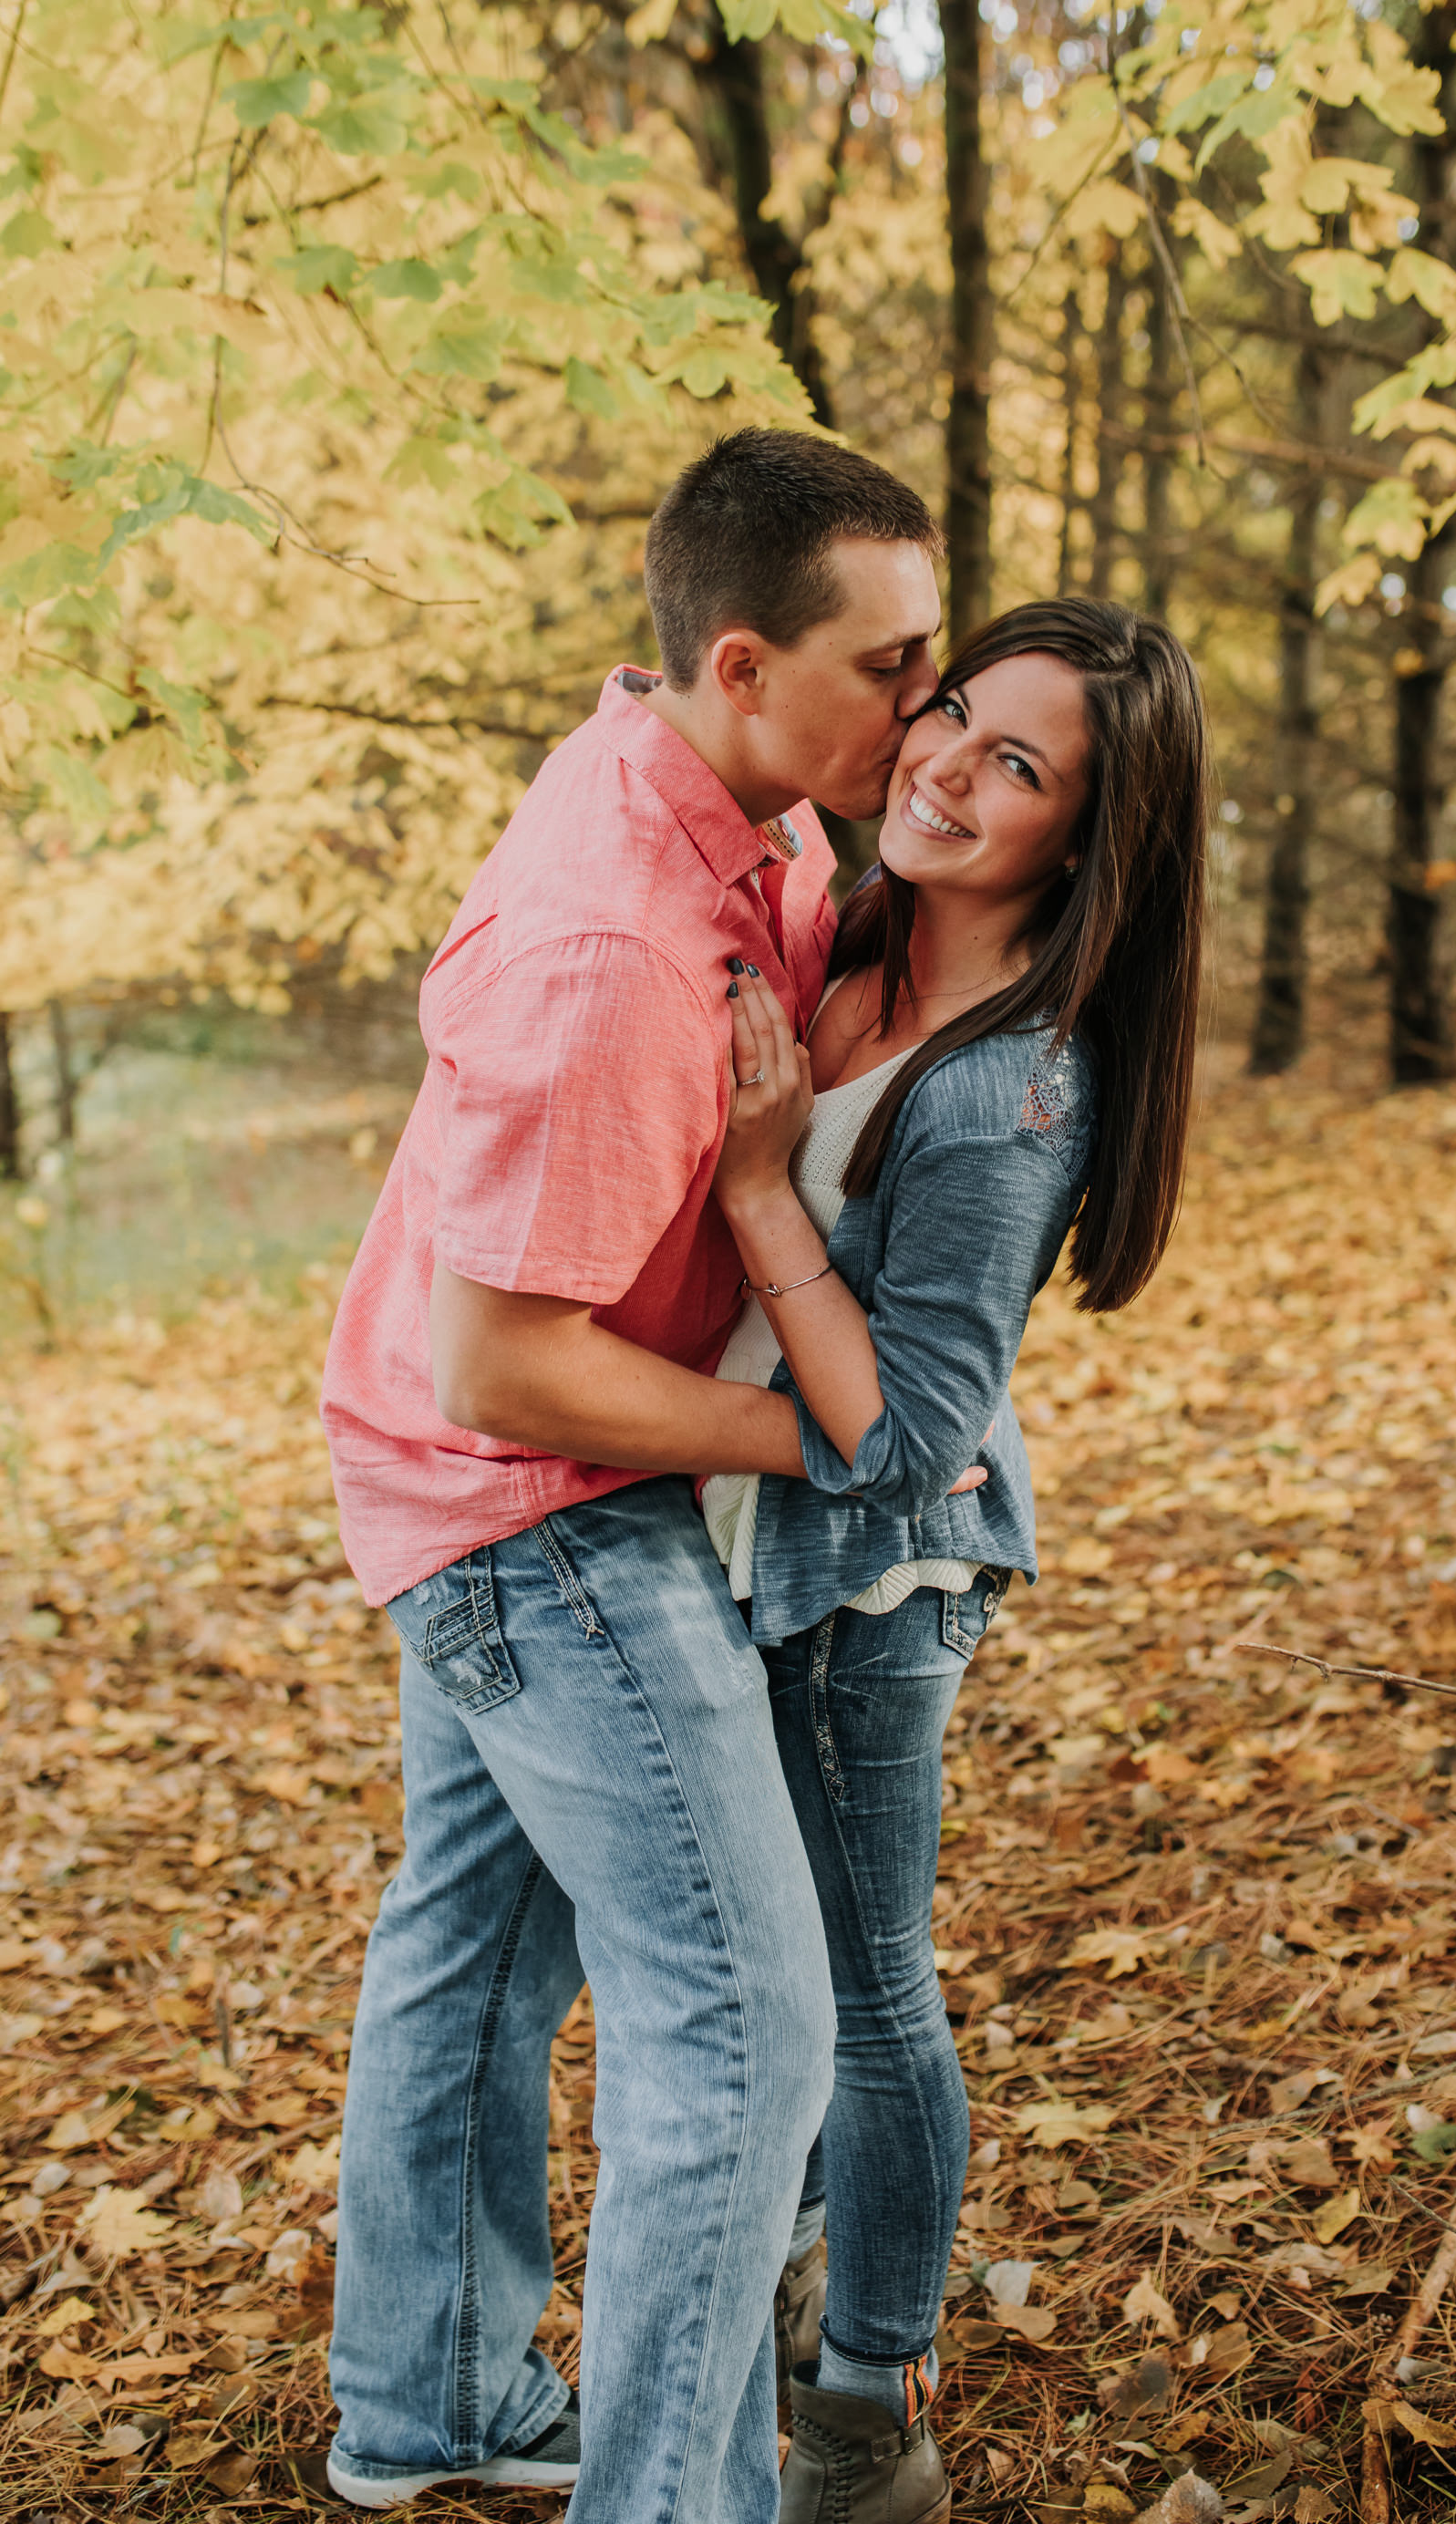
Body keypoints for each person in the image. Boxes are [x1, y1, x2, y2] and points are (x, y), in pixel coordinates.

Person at [318, 429, 948, 2521]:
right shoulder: (609, 943)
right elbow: (499, 1363)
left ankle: (428, 2409)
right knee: (750, 2030)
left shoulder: (718, 797)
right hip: (525, 1513)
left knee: (478, 1946)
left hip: (450, 1474)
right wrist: (816, 1445)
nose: (925, 708)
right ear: (748, 661)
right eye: (896, 665)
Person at [702, 598, 1209, 2524]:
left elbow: (911, 1435)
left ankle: (866, 2405)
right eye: (955, 717)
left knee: (867, 1986)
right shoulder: (840, 954)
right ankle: (790, 2304)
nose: (949, 767)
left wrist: (761, 1189)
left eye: (1021, 768)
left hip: (870, 1586)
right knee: (787, 1980)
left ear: (1081, 839)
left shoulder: (1009, 1081)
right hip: (765, 1545)